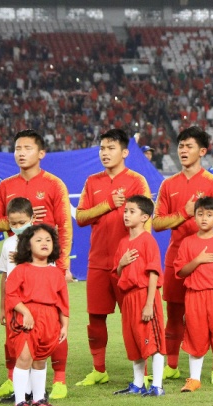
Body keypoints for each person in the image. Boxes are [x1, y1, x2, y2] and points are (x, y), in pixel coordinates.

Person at [0, 129, 73, 401]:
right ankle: (13, 380)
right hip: (16, 271)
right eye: (17, 148)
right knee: (15, 327)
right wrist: (19, 222)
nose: (21, 153)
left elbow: (64, 225)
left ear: (41, 153)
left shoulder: (54, 184)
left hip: (47, 270)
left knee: (53, 324)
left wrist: (61, 264)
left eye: (27, 148)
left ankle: (59, 380)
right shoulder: (5, 186)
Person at [153, 126, 213, 383]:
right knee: (174, 314)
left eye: (189, 146)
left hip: (210, 260)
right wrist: (184, 213)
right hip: (178, 257)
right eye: (181, 146)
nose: (183, 151)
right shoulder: (168, 184)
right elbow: (157, 223)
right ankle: (172, 365)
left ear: (203, 151)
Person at [75, 128, 151, 387]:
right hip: (97, 261)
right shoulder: (92, 181)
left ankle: (144, 370)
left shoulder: (137, 181)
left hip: (128, 260)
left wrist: (141, 257)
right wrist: (108, 203)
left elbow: (146, 221)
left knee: (136, 316)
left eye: (111, 148)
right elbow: (81, 218)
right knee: (96, 317)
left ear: (125, 152)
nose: (104, 153)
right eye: (102, 148)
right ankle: (99, 370)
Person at [173, 196, 213, 392]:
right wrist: (198, 260)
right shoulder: (187, 243)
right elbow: (181, 271)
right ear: (194, 217)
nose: (204, 218)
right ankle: (194, 379)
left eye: (209, 215)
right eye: (200, 214)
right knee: (195, 337)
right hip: (194, 297)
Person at [6, 223, 68, 406]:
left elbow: (62, 301)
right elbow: (11, 295)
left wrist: (64, 324)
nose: (44, 243)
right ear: (28, 245)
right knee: (24, 358)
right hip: (27, 321)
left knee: (40, 360)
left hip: (49, 321)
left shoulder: (56, 273)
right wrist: (25, 312)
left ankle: (39, 399)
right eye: (39, 240)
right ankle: (20, 402)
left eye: (48, 240)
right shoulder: (21, 270)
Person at [113, 195, 167, 396]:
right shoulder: (123, 242)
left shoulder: (147, 241)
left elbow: (154, 273)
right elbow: (118, 273)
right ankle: (137, 384)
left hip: (145, 296)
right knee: (134, 341)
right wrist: (121, 263)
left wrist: (149, 304)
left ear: (145, 217)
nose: (126, 215)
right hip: (128, 298)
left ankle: (157, 386)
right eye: (125, 211)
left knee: (152, 341)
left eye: (131, 211)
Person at [0, 196, 34, 403]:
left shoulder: (40, 242)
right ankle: (21, 392)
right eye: (13, 224)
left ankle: (35, 391)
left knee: (33, 348)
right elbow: (5, 277)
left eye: (22, 223)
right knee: (15, 347)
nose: (17, 227)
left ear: (32, 219)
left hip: (34, 304)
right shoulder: (8, 244)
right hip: (13, 305)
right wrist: (1, 308)